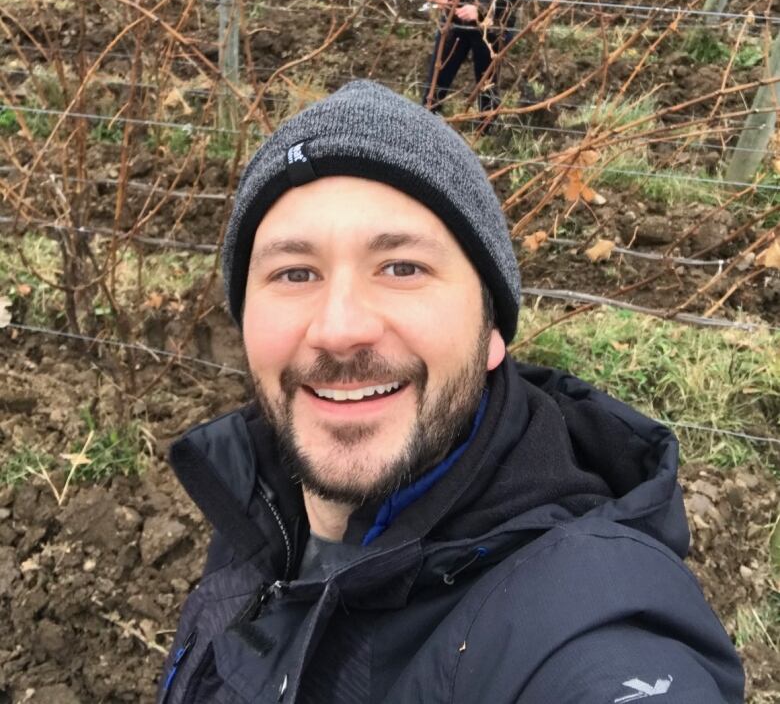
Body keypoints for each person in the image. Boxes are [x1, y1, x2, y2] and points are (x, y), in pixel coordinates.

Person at [158, 81, 744, 704]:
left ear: (492, 330)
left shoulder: (585, 633)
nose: (338, 329)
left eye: (402, 268)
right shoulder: (259, 498)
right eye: (294, 273)